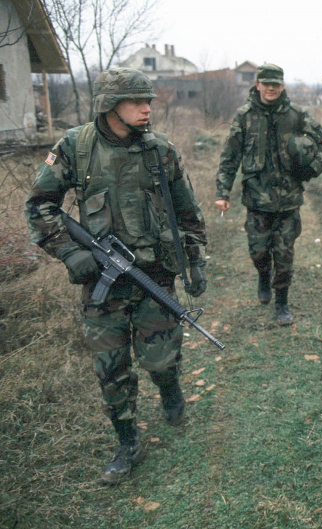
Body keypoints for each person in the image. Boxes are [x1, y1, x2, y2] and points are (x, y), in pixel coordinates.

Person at [24, 67, 208, 485]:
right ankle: (127, 442)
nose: (147, 109)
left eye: (149, 102)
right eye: (136, 102)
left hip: (155, 276)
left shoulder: (161, 151)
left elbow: (188, 214)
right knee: (111, 369)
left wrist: (195, 263)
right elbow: (40, 207)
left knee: (159, 358)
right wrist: (70, 253)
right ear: (110, 105)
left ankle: (169, 385)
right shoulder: (75, 146)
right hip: (101, 283)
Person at [215, 63, 322, 325]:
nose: (270, 88)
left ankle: (282, 302)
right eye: (266, 84)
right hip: (256, 201)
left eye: (276, 84)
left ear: (282, 86)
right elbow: (229, 156)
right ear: (257, 85)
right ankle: (262, 276)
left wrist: (311, 169)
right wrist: (223, 191)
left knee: (284, 254)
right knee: (258, 252)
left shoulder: (297, 116)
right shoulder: (244, 117)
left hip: (288, 201)